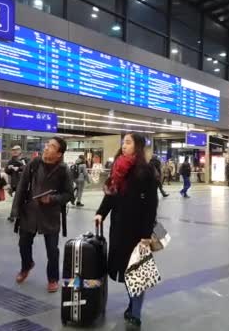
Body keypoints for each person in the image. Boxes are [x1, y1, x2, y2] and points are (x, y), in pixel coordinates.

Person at [93, 133, 158, 329]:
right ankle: (132, 305)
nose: (124, 146)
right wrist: (101, 213)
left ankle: (136, 313)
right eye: (123, 142)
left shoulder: (146, 171)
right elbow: (111, 195)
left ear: (137, 146)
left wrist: (146, 235)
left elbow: (151, 206)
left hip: (138, 230)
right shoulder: (119, 168)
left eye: (128, 142)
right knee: (126, 270)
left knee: (136, 271)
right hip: (119, 228)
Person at [12, 137, 74, 293]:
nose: (47, 147)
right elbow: (21, 187)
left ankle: (53, 279)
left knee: (52, 250)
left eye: (52, 146)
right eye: (47, 144)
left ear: (59, 154)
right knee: (23, 245)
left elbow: (69, 194)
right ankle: (27, 265)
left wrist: (52, 199)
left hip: (50, 215)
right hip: (29, 213)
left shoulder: (63, 169)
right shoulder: (34, 164)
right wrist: (16, 210)